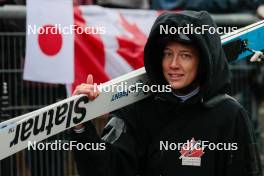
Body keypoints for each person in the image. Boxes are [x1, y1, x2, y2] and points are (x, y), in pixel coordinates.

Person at [71, 11, 263, 176]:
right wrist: (82, 125)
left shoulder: (229, 114)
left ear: (203, 60)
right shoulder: (137, 108)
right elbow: (106, 170)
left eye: (185, 55)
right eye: (168, 53)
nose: (173, 64)